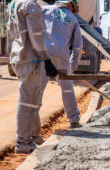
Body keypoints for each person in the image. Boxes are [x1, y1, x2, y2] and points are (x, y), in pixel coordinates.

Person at [7, 0, 57, 153]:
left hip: (19, 56)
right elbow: (37, 36)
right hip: (30, 58)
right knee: (27, 101)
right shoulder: (32, 6)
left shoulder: (14, 3)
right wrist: (46, 58)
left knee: (32, 100)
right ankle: (23, 142)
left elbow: (10, 33)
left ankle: (34, 135)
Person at [31, 0, 83, 142]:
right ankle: (74, 121)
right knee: (67, 89)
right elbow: (78, 46)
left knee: (38, 90)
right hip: (62, 56)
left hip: (43, 54)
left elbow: (33, 27)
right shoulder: (73, 19)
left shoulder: (45, 10)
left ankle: (32, 132)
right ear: (70, 5)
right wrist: (72, 68)